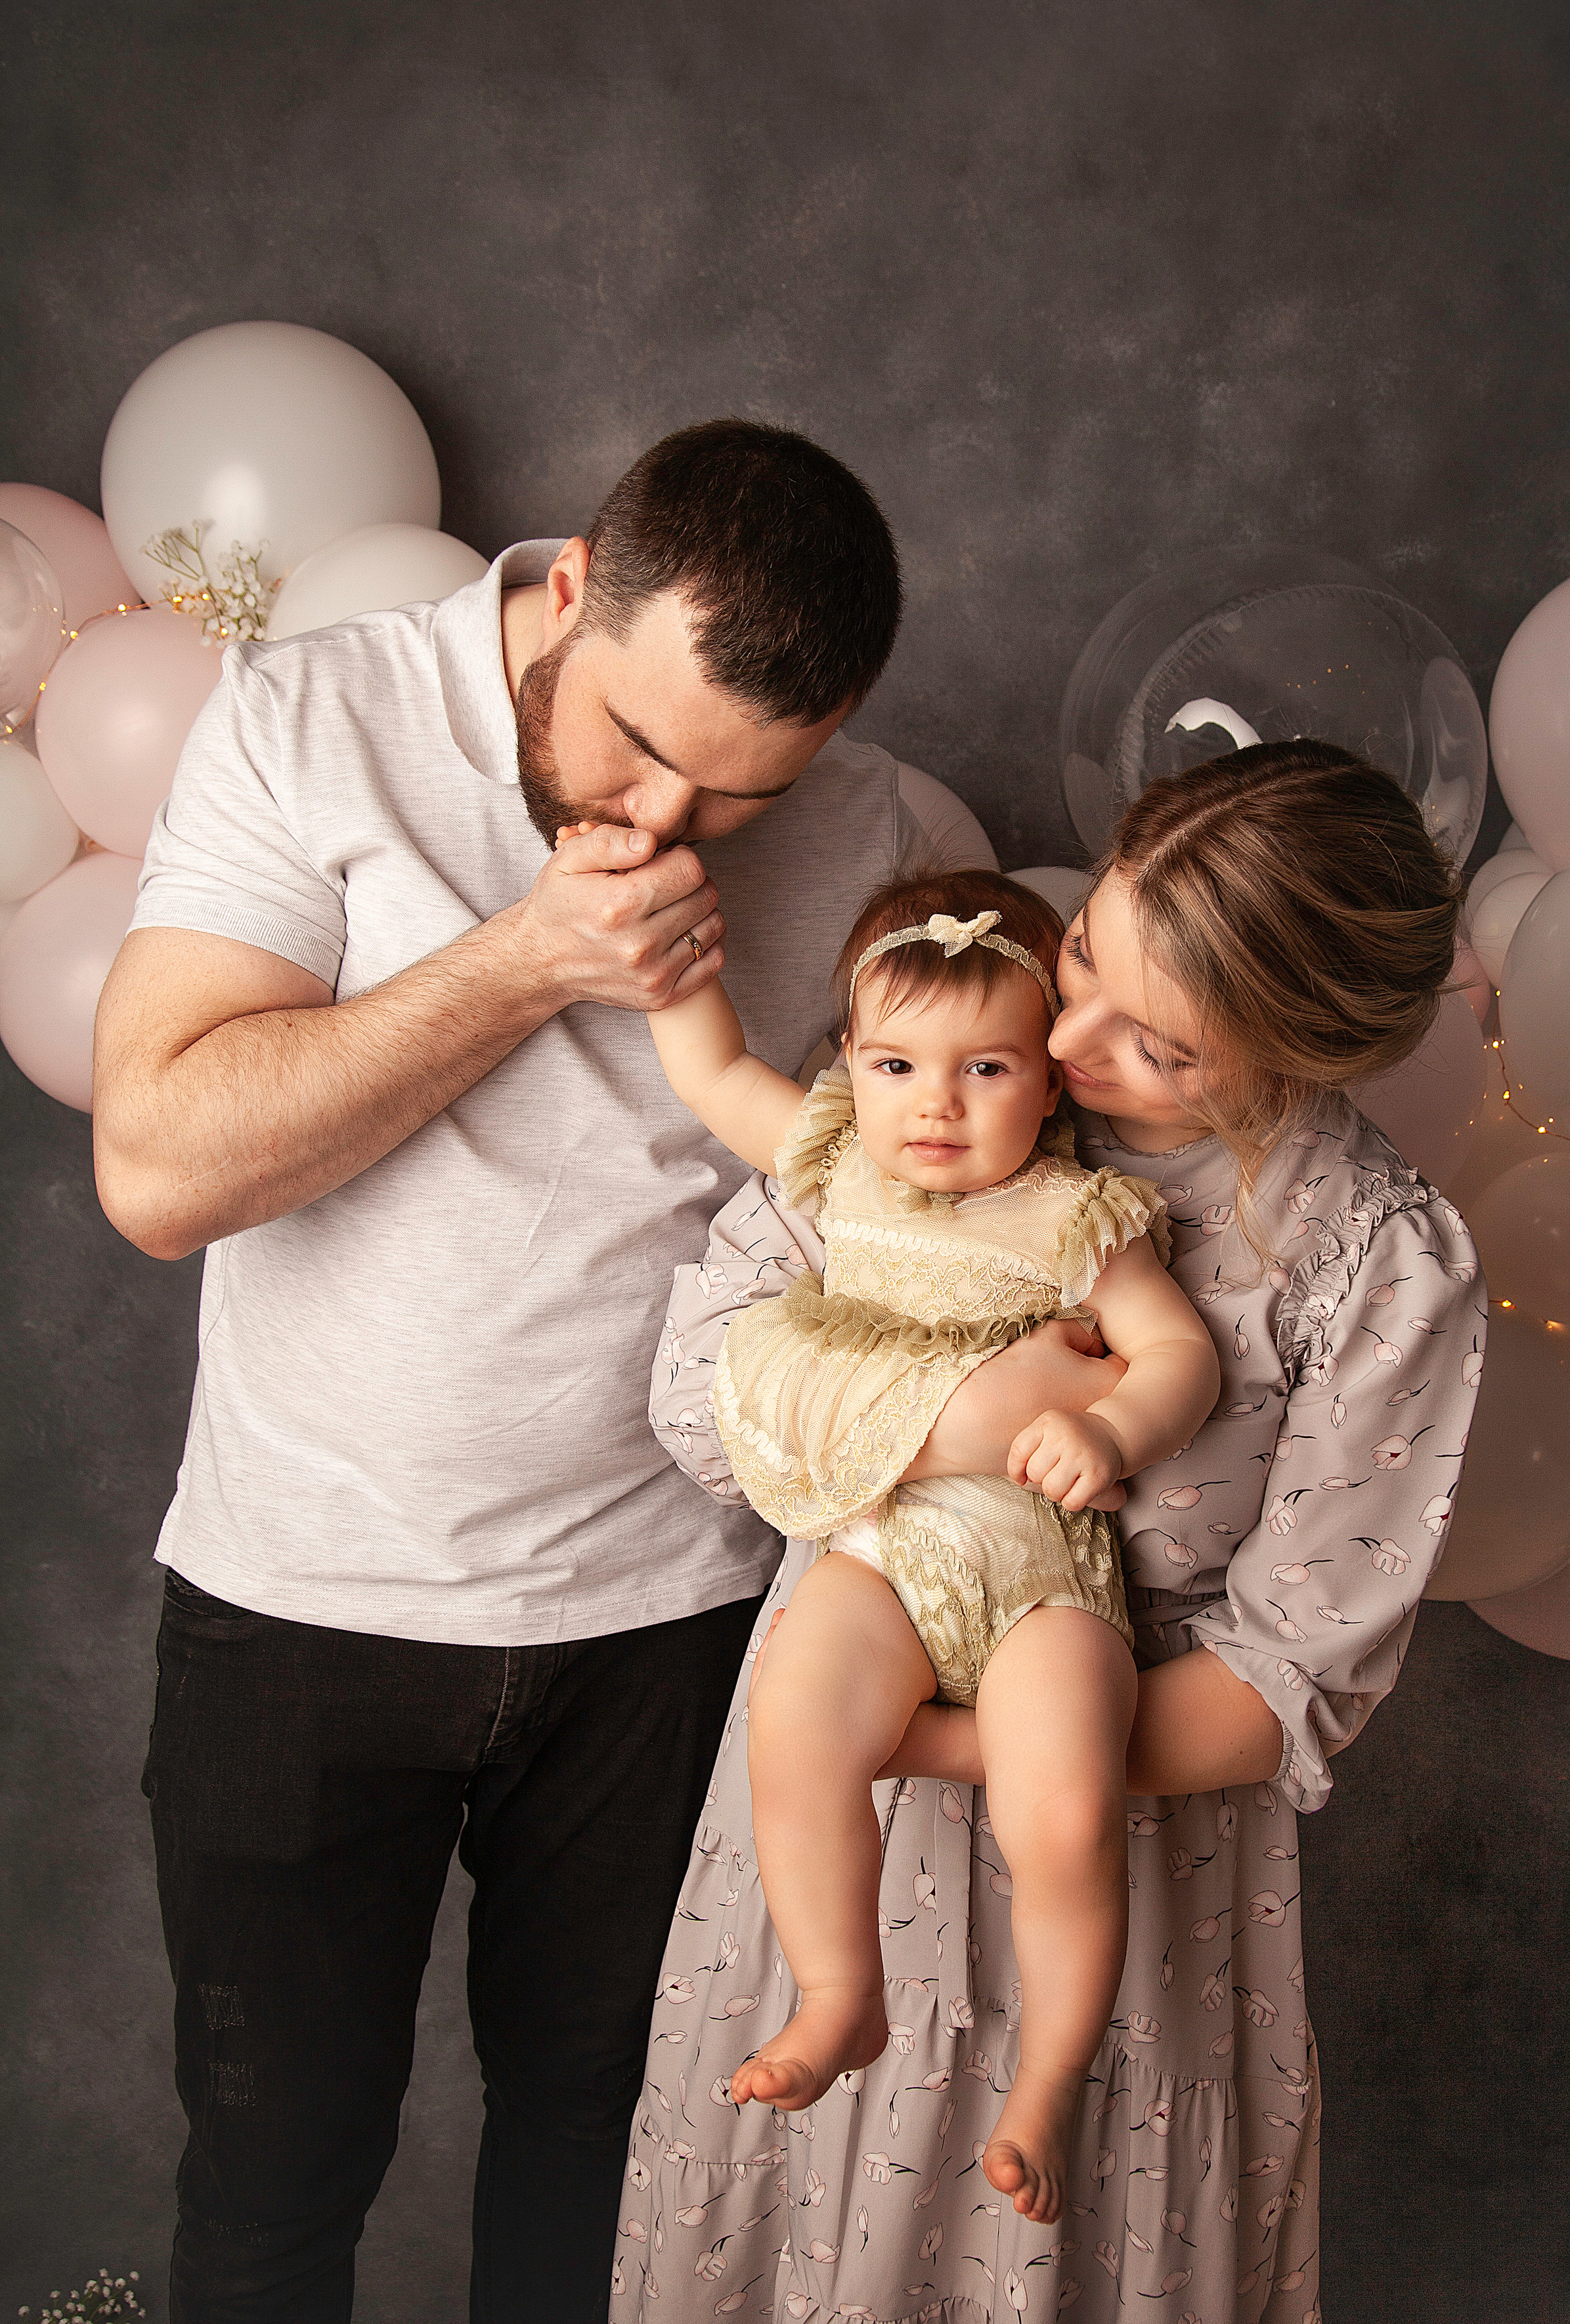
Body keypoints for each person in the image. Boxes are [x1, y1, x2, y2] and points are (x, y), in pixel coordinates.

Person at [89, 419, 1030, 2324]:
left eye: (745, 792)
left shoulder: (891, 843)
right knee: (277, 2184)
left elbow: (953, 1226)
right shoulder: (314, 719)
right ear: (571, 589)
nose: (676, 819)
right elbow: (160, 1170)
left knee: (616, 2176)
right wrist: (528, 962)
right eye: (642, 745)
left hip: (675, 1626)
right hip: (301, 1605)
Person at [615, 740, 1486, 2323]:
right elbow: (691, 1399)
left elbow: (1280, 1687)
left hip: (1113, 1867)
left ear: (1303, 1051)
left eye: (1160, 1048)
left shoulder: (1372, 1256)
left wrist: (939, 1737)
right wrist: (956, 1424)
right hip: (830, 1856)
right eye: (1084, 947)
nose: (1066, 1041)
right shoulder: (951, 1063)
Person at [642, 867, 1220, 2222]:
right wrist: (664, 968)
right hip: (886, 1554)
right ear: (850, 1063)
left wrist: (1118, 1429)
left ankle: (1046, 2084)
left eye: (984, 1068)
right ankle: (839, 1993)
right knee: (793, 1722)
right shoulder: (839, 1168)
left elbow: (1178, 1351)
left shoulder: (1076, 1219)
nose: (934, 1104)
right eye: (895, 1063)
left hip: (1037, 1578)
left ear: (1049, 1081)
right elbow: (715, 1068)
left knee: (1062, 1808)